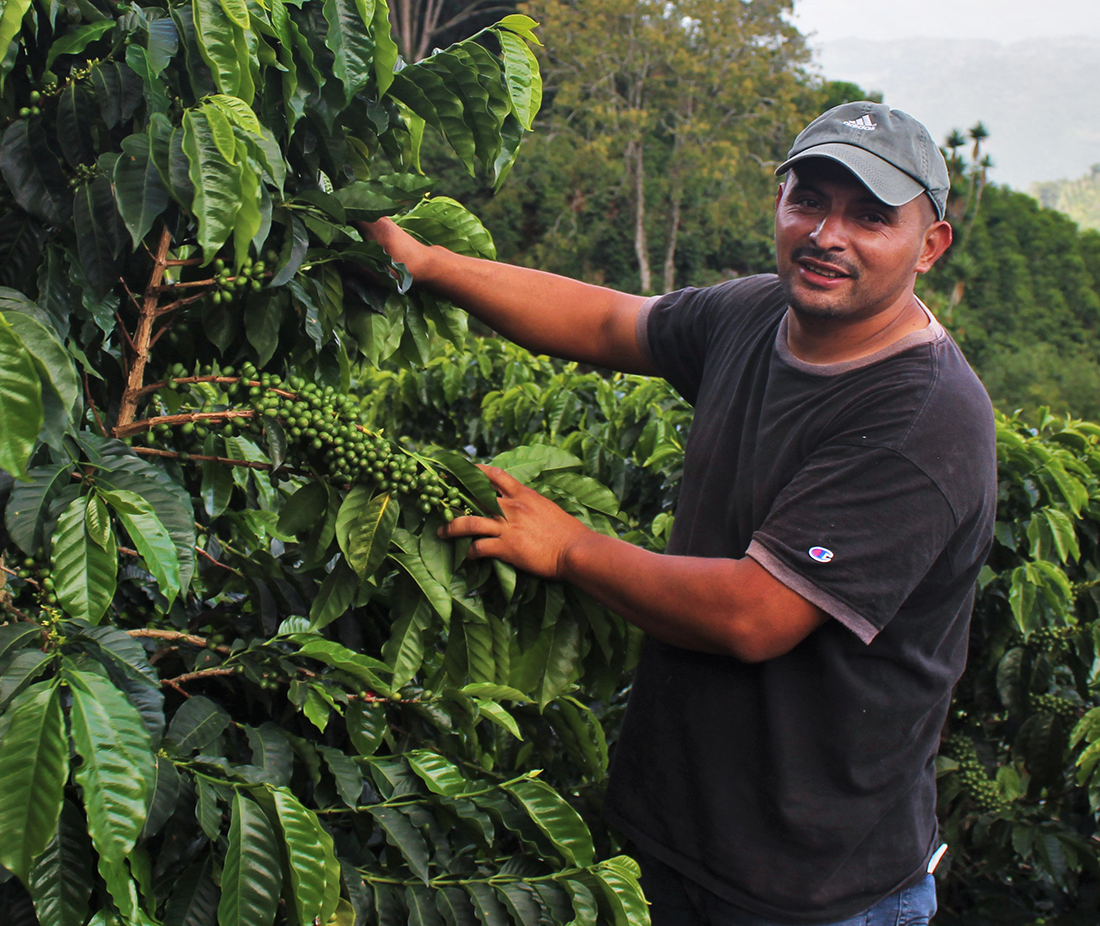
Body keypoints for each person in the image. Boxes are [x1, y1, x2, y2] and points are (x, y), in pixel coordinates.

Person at [362, 101, 997, 926]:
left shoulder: (924, 418)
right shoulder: (755, 313)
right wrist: (428, 262)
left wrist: (569, 549)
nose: (828, 235)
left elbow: (756, 614)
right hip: (669, 837)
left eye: (871, 218)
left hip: (808, 889)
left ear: (930, 246)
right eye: (809, 201)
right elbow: (606, 318)